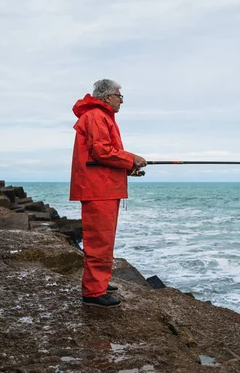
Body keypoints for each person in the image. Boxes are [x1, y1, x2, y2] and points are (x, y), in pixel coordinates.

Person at [69, 79, 147, 308]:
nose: (121, 101)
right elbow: (101, 151)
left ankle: (99, 282)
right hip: (98, 188)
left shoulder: (101, 116)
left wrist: (127, 165)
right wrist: (131, 158)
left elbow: (103, 154)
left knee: (104, 239)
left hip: (103, 186)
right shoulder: (95, 116)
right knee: (99, 240)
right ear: (107, 97)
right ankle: (93, 292)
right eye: (119, 96)